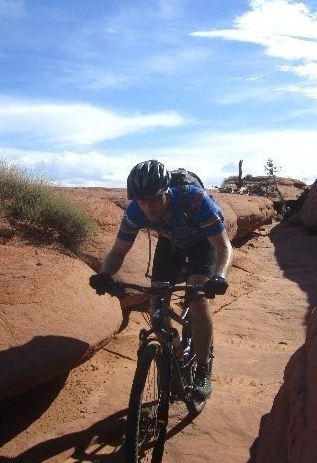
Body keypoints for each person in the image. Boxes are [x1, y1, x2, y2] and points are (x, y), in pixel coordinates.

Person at [89, 160, 233, 400]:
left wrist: (219, 276)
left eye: (154, 199)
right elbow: (118, 252)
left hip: (203, 244)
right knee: (156, 308)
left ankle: (202, 368)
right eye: (141, 200)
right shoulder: (135, 210)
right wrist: (105, 275)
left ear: (167, 192)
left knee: (197, 299)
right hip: (171, 244)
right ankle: (174, 353)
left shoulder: (195, 200)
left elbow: (224, 247)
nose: (147, 206)